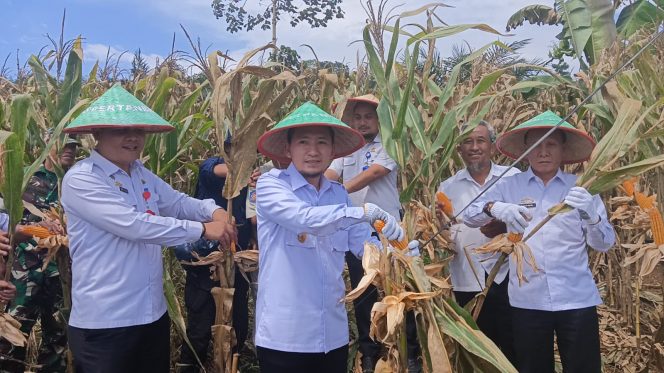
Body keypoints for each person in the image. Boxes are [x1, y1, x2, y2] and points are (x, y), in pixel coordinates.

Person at [60, 85, 237, 373]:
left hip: (152, 314)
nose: (133, 137)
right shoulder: (82, 179)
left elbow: (177, 202)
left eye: (139, 130)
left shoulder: (141, 174)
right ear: (98, 134)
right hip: (106, 321)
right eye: (121, 130)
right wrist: (204, 229)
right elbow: (133, 225)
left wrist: (213, 209)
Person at [254, 102, 415, 373]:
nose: (313, 151)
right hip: (285, 337)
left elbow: (365, 248)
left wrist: (400, 255)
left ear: (332, 150)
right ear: (288, 149)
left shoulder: (338, 195)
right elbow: (304, 219)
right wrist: (363, 211)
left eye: (322, 143)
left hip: (333, 335)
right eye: (303, 142)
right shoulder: (272, 185)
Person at [463, 111, 615, 373]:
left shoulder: (582, 187)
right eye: (536, 145)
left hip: (576, 298)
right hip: (527, 300)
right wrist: (493, 206)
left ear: (563, 149)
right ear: (526, 149)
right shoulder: (510, 185)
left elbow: (604, 243)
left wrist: (591, 216)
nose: (543, 152)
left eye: (551, 144)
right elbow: (468, 215)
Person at [324, 94, 419, 373]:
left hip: (388, 230)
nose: (363, 122)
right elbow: (330, 173)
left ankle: (408, 352)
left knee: (400, 291)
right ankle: (369, 353)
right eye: (358, 117)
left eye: (369, 116)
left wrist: (337, 192)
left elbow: (375, 172)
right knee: (363, 291)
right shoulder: (346, 150)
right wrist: (316, 188)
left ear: (379, 120)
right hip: (356, 232)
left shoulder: (390, 145)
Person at [436, 120, 518, 363]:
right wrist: (436, 225)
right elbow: (444, 235)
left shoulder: (512, 177)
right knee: (480, 354)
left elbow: (531, 221)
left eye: (480, 140)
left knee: (514, 349)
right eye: (467, 142)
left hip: (509, 275)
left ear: (492, 146)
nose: (474, 147)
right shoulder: (447, 187)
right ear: (458, 149)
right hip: (467, 277)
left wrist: (504, 227)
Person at [0, 133, 80, 373]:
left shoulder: (78, 182)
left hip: (63, 274)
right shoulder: (22, 177)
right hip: (22, 270)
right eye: (64, 143)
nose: (70, 149)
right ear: (47, 142)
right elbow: (4, 221)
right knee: (12, 330)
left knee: (57, 337)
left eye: (74, 146)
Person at [174, 138, 253, 373]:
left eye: (247, 148)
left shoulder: (253, 179)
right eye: (233, 147)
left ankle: (232, 362)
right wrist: (242, 171)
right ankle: (189, 364)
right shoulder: (211, 166)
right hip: (204, 263)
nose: (240, 153)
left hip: (235, 260)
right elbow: (219, 171)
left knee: (237, 318)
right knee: (200, 321)